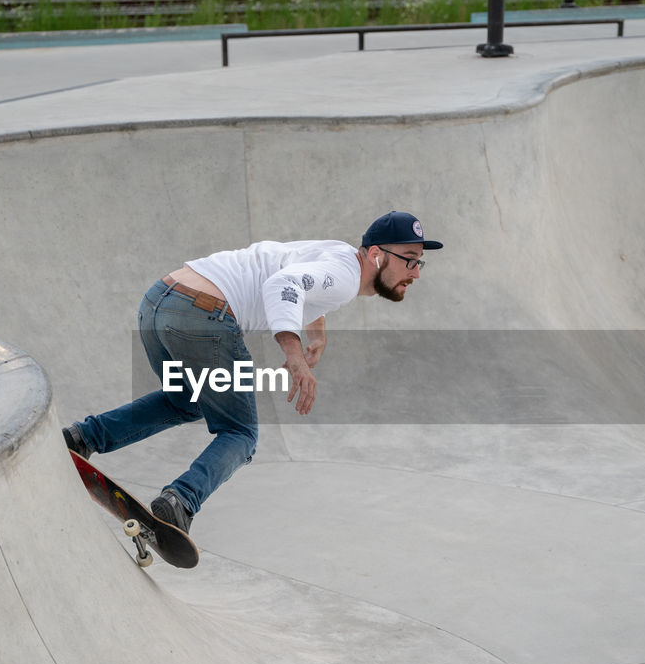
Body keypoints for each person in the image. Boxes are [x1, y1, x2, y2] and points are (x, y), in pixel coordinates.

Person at [64, 211, 442, 534]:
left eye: (419, 262)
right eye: (409, 259)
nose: (416, 273)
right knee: (240, 433)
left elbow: (302, 280)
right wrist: (293, 354)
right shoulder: (344, 277)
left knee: (185, 399)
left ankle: (83, 437)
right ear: (376, 255)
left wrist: (318, 333)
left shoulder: (338, 255)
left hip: (159, 301)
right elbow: (285, 284)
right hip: (204, 314)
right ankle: (180, 500)